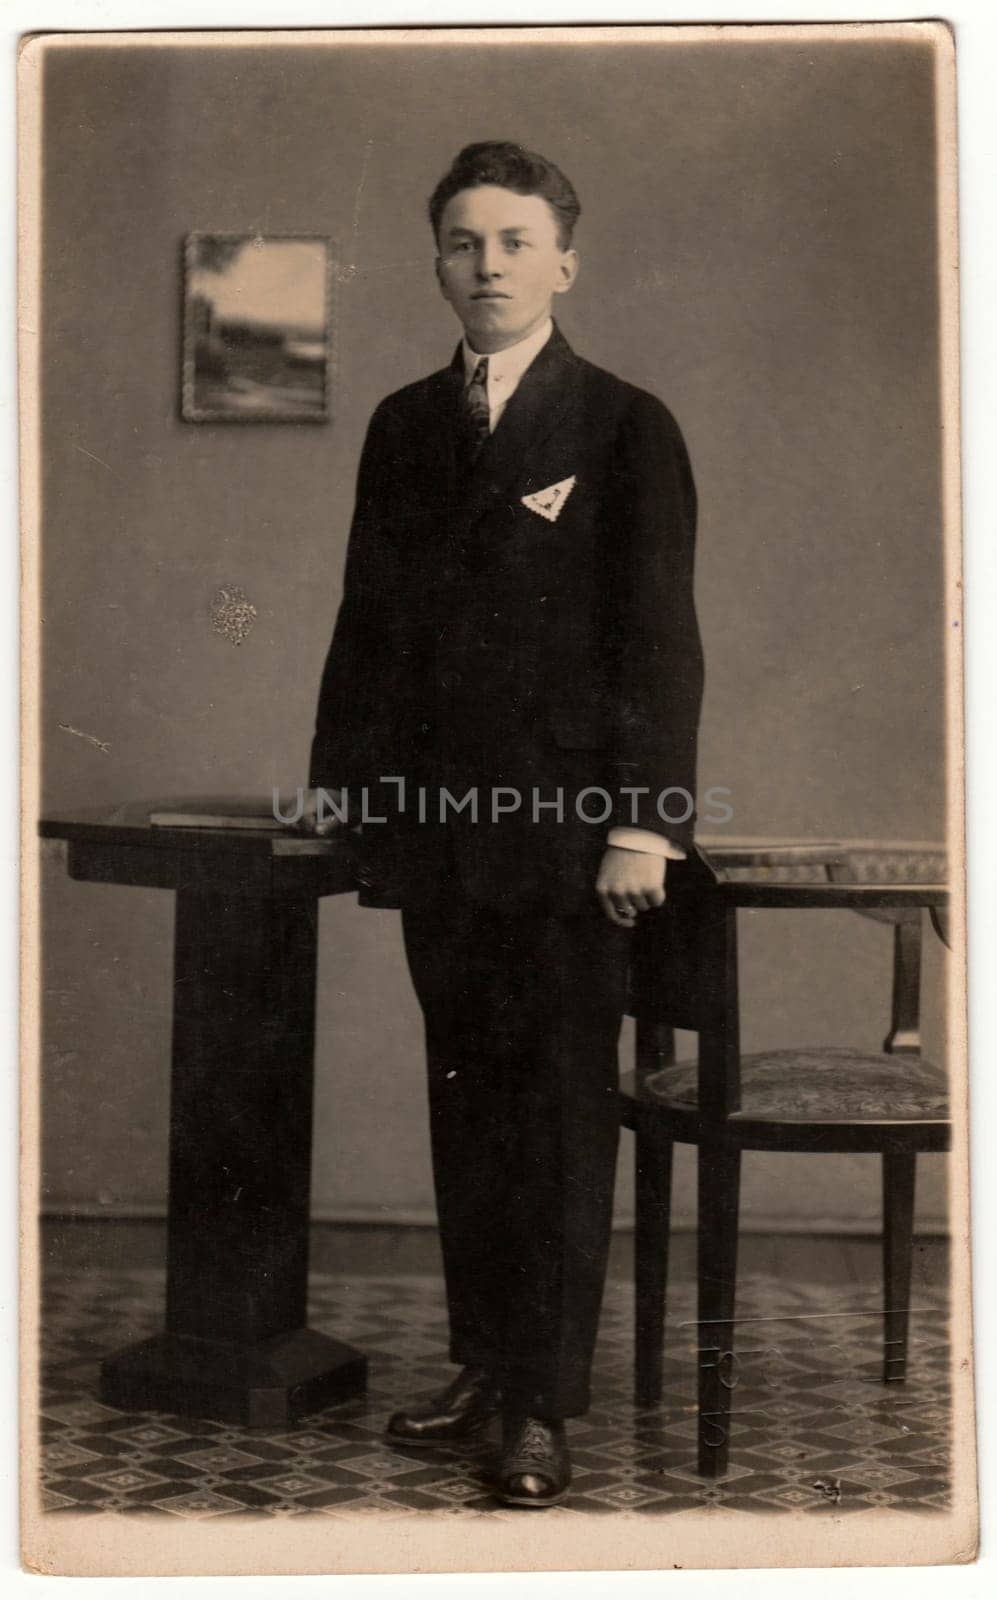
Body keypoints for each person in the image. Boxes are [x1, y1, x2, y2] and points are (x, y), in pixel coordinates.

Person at [305, 141, 703, 1507]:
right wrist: (345, 802)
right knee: (464, 1109)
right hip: (435, 832)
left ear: (563, 264)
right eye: (463, 241)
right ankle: (483, 1368)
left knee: (553, 1124)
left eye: (515, 241)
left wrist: (642, 827)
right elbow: (363, 629)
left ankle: (542, 1406)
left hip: (566, 837)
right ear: (436, 262)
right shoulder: (404, 425)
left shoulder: (620, 423)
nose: (488, 266)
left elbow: (660, 643)